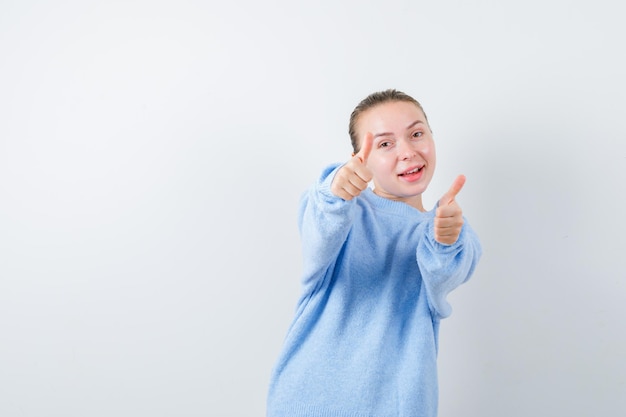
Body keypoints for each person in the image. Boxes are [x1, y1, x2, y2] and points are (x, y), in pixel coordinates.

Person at [266, 89, 482, 417]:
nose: (408, 152)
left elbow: (449, 268)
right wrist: (337, 190)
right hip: (308, 403)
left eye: (417, 134)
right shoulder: (345, 211)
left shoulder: (441, 226)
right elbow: (319, 222)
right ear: (360, 158)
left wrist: (446, 240)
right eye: (385, 143)